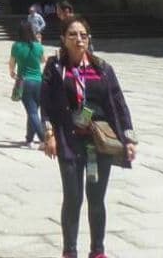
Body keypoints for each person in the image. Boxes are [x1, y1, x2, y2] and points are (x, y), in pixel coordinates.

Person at [42, 16, 137, 258]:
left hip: (99, 142)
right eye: (73, 34)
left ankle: (98, 251)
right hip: (69, 141)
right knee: (73, 198)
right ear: (63, 39)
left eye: (83, 35)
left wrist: (129, 138)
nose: (79, 39)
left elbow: (118, 102)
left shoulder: (102, 68)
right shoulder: (55, 68)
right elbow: (46, 103)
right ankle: (70, 251)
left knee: (97, 199)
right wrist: (49, 134)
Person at [9, 20, 45, 147]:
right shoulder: (38, 46)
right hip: (39, 81)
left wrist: (12, 72)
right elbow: (42, 60)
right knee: (33, 110)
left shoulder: (16, 46)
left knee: (32, 112)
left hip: (24, 81)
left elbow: (12, 64)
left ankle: (43, 139)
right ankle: (29, 138)